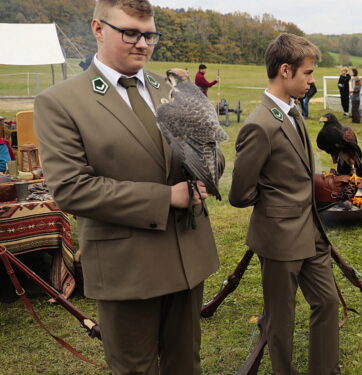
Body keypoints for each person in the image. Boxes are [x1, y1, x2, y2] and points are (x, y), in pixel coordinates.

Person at [34, 1, 222, 373]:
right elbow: (71, 188)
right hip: (127, 265)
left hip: (187, 256)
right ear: (98, 29)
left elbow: (202, 151)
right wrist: (167, 197)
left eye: (150, 34)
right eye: (130, 33)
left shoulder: (169, 90)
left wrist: (206, 170)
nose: (143, 44)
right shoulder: (61, 102)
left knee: (186, 363)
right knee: (135, 368)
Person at [229, 33, 340, 375]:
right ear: (285, 70)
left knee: (328, 302)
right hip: (279, 239)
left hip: (312, 233)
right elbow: (240, 194)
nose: (312, 80)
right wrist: (279, 202)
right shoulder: (259, 125)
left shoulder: (292, 112)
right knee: (281, 317)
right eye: (308, 73)